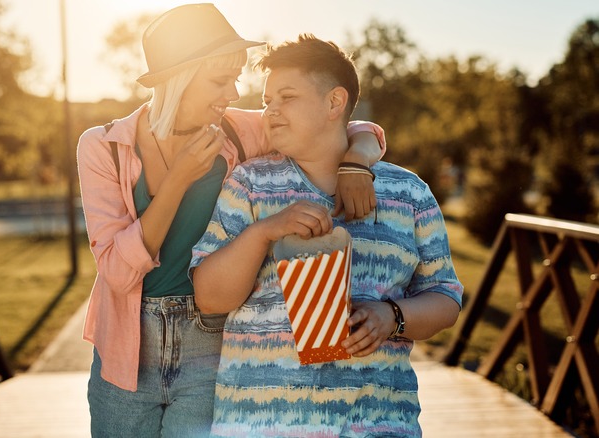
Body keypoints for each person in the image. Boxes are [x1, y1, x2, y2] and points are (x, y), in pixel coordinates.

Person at [76, 4, 386, 437]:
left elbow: (345, 123)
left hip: (213, 335)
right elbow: (116, 270)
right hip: (128, 345)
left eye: (236, 78)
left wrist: (357, 163)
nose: (233, 92)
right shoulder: (104, 147)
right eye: (220, 80)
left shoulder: (240, 131)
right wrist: (178, 181)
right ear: (178, 78)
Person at [190, 34, 464, 437]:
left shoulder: (409, 193)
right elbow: (209, 298)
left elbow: (446, 297)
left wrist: (393, 317)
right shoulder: (248, 184)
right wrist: (264, 232)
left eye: (287, 97)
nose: (271, 112)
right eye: (267, 102)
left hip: (377, 425)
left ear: (334, 103)